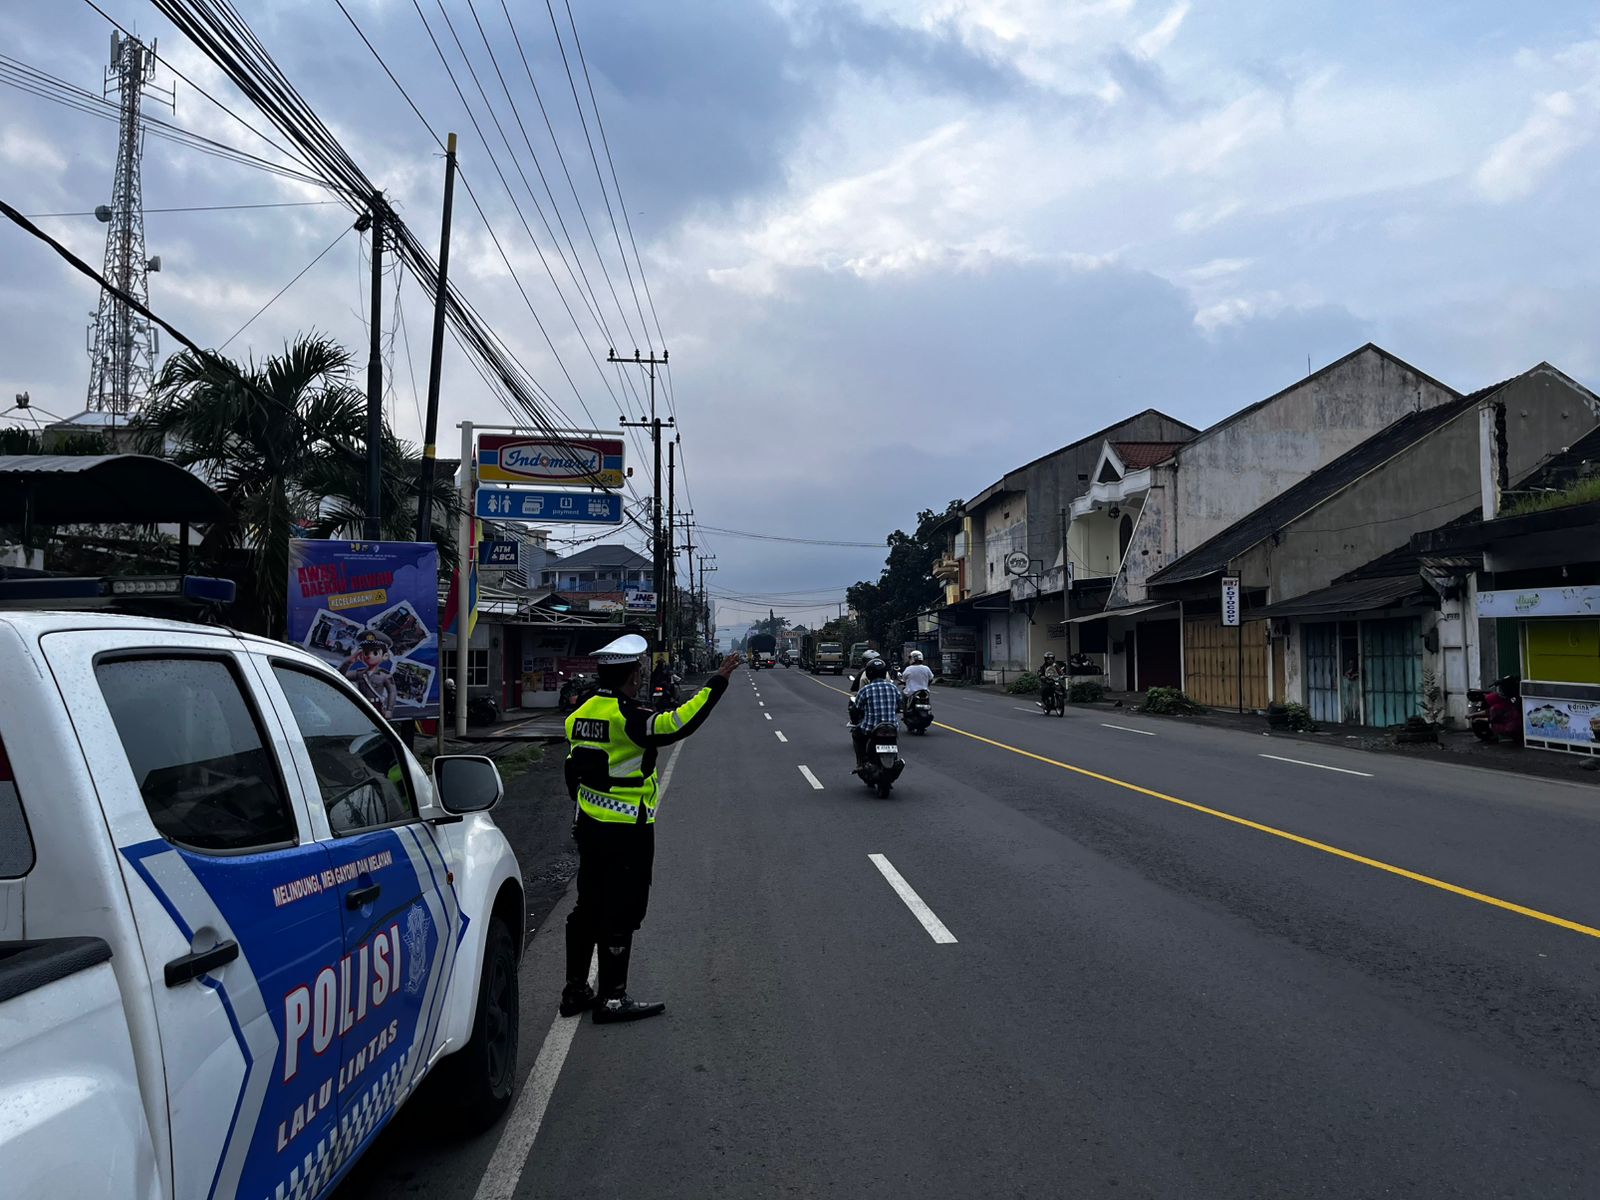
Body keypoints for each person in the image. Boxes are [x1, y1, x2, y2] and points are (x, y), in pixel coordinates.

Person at [562, 635, 742, 1024]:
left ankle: (575, 988)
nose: (642, 674)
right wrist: (718, 681)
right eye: (639, 669)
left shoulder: (579, 714)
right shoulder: (631, 718)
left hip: (590, 824)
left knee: (587, 906)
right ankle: (613, 999)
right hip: (628, 828)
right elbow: (680, 722)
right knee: (623, 910)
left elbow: (571, 770)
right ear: (632, 673)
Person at [850, 657, 903, 770]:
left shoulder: (865, 690)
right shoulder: (893, 688)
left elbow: (856, 708)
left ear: (869, 674)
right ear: (884, 673)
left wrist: (855, 720)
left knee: (855, 733)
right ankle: (895, 760)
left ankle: (860, 762)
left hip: (871, 727)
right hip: (892, 727)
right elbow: (900, 705)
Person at [341, 631, 398, 718]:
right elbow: (340, 676)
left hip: (376, 707)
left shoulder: (385, 675)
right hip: (360, 706)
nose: (370, 656)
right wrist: (349, 662)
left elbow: (392, 692)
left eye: (375, 653)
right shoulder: (359, 673)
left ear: (385, 656)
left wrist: (389, 710)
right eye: (366, 653)